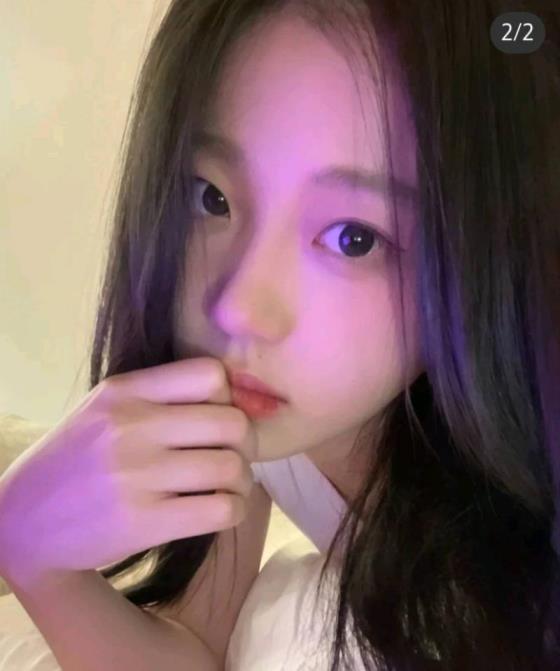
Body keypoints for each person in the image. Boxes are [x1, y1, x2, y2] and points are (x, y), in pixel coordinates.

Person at [0, 1, 558, 669]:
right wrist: (32, 555)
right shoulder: (253, 427)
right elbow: (195, 644)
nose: (236, 307)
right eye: (211, 198)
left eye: (354, 238)